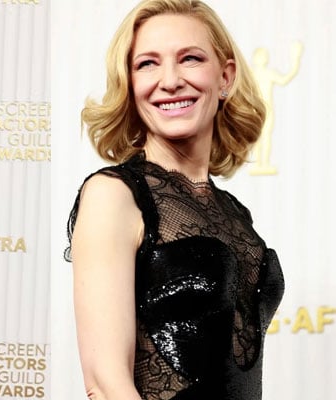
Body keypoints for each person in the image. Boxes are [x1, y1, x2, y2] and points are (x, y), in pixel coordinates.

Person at [65, 1, 284, 399]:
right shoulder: (114, 195)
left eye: (190, 59)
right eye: (147, 64)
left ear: (225, 77)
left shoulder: (234, 213)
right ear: (130, 84)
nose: (170, 81)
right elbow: (105, 383)